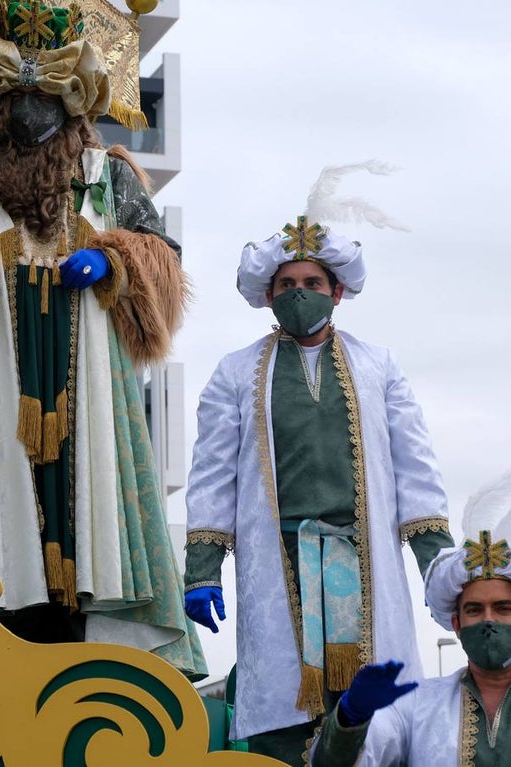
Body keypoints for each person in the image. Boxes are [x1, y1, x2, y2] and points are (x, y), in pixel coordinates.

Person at [0, 0, 204, 678]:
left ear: (73, 104)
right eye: (17, 95)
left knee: (91, 530)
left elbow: (165, 264)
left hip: (92, 408)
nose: (30, 110)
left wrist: (114, 258)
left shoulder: (109, 178)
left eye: (45, 94)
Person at [183, 163, 455, 765]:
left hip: (365, 555)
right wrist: (202, 569)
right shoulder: (234, 372)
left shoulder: (379, 365)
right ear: (268, 295)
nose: (297, 293)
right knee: (284, 694)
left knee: (376, 708)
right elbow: (210, 476)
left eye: (311, 281)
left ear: (337, 290)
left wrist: (441, 567)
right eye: (285, 284)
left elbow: (417, 469)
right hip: (278, 554)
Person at [310, 532, 511, 766]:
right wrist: (351, 719)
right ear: (457, 625)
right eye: (475, 610)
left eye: (503, 608)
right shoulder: (416, 703)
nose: (489, 621)